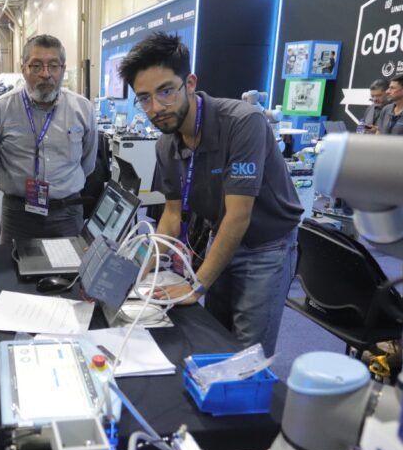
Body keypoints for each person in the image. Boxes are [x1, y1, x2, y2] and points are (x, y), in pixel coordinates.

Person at [119, 33, 302, 357]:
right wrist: (138, 271)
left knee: (247, 353)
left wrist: (196, 285)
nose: (156, 108)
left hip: (265, 247)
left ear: (189, 83)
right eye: (144, 98)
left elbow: (239, 215)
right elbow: (171, 216)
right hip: (221, 237)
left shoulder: (243, 123)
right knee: (216, 339)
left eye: (165, 91)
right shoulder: (166, 144)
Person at [0, 35, 96, 245]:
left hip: (67, 214)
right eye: (36, 66)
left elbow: (87, 163)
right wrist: (16, 189)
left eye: (53, 66)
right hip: (18, 215)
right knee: (13, 264)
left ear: (63, 69)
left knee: (71, 266)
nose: (45, 74)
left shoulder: (83, 109)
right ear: (23, 68)